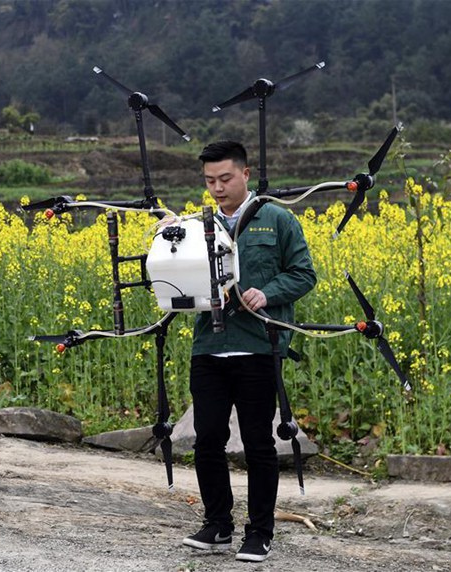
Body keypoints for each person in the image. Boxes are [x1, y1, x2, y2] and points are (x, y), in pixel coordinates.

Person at [182, 141, 317, 562]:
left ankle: (259, 531)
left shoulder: (276, 219)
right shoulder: (195, 225)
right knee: (207, 440)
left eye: (225, 179)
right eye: (209, 181)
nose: (217, 189)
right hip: (209, 348)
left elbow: (304, 274)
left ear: (245, 173)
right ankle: (217, 523)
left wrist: (267, 292)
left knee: (258, 443)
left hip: (258, 347)